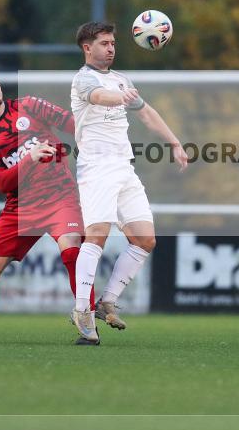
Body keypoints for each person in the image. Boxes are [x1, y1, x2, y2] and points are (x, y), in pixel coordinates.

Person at [0, 63, 95, 344]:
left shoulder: (29, 106)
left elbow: (73, 125)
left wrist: (96, 130)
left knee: (72, 250)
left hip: (60, 197)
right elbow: (2, 183)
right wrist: (29, 157)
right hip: (20, 208)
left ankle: (88, 327)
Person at [68, 22, 188, 343]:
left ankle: (106, 301)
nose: (110, 48)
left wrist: (174, 142)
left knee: (145, 239)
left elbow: (146, 113)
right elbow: (101, 97)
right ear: (87, 48)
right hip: (96, 168)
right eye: (104, 43)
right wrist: (121, 96)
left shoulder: (122, 81)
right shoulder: (83, 79)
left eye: (113, 43)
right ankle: (82, 310)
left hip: (124, 168)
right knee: (96, 236)